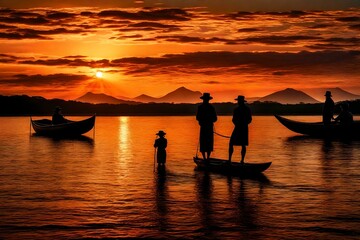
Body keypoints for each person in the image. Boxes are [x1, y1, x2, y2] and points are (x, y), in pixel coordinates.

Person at [229, 95, 252, 164]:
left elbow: (249, 119)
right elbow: (249, 120)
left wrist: (239, 124)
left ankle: (232, 160)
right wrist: (241, 124)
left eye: (239, 101)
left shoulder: (237, 109)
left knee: (234, 144)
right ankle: (240, 160)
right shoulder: (245, 109)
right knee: (241, 144)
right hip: (242, 128)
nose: (238, 102)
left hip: (240, 128)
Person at [196, 93, 217, 161]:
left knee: (205, 142)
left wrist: (202, 121)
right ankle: (206, 158)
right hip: (208, 127)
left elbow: (197, 117)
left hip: (205, 127)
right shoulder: (211, 107)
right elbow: (215, 118)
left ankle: (206, 158)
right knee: (208, 142)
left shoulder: (201, 107)